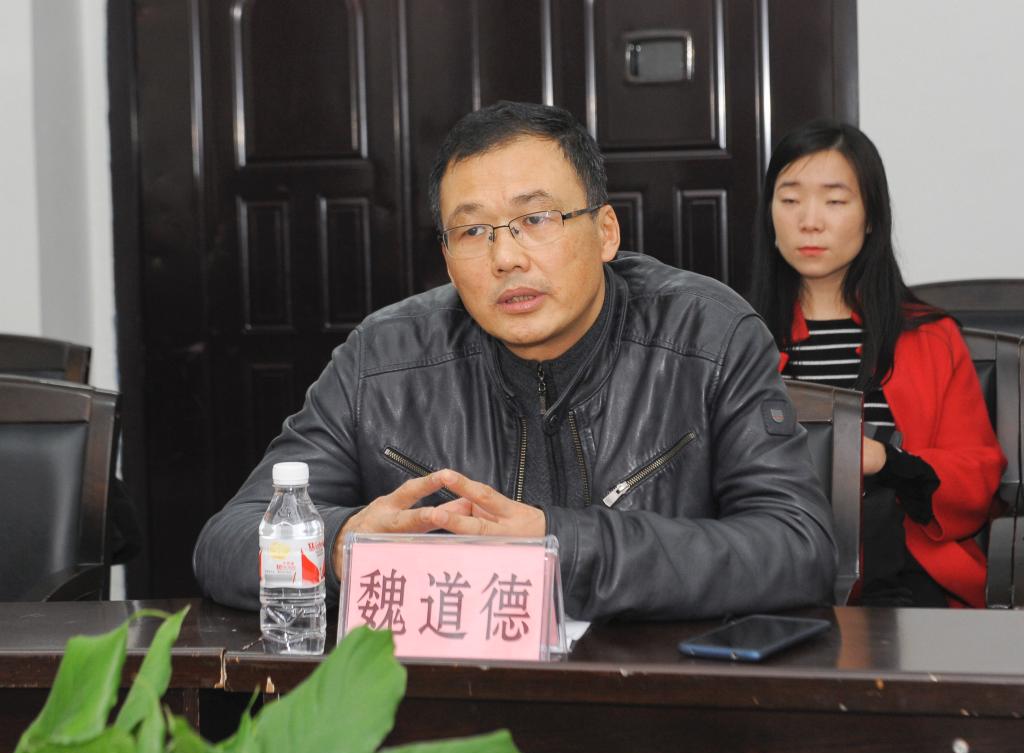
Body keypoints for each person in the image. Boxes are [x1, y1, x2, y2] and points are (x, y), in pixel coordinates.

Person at [194, 101, 836, 620]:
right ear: (448, 260)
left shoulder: (709, 336)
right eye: (473, 231)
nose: (506, 258)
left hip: (654, 700)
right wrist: (340, 549)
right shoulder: (382, 360)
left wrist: (563, 548)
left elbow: (797, 546)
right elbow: (229, 541)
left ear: (605, 232)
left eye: (537, 218)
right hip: (450, 709)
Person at [749, 119, 1006, 608]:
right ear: (770, 213)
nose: (810, 221)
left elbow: (977, 477)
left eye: (834, 201)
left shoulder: (930, 338)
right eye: (790, 199)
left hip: (906, 580)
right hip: (772, 576)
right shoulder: (735, 337)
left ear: (870, 217)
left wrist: (886, 460)